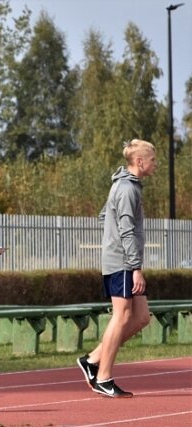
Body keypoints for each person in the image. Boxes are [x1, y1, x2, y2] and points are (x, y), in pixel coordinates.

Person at [77, 139, 155, 398]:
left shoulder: (125, 187)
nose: (156, 164)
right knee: (121, 316)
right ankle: (103, 376)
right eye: (153, 160)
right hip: (122, 262)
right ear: (140, 161)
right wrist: (135, 267)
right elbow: (125, 228)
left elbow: (105, 215)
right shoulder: (126, 188)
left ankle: (93, 359)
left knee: (141, 316)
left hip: (124, 260)